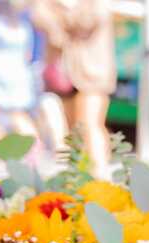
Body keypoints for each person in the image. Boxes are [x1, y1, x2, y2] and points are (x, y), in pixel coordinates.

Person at [33, 0, 116, 171]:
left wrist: (64, 12)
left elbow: (88, 21)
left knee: (90, 124)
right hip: (64, 76)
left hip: (93, 73)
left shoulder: (96, 5)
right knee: (74, 132)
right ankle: (83, 176)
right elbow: (41, 19)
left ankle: (100, 173)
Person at [0, 0, 38, 145]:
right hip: (20, 73)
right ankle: (32, 149)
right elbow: (28, 54)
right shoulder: (24, 24)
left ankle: (1, 157)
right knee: (18, 116)